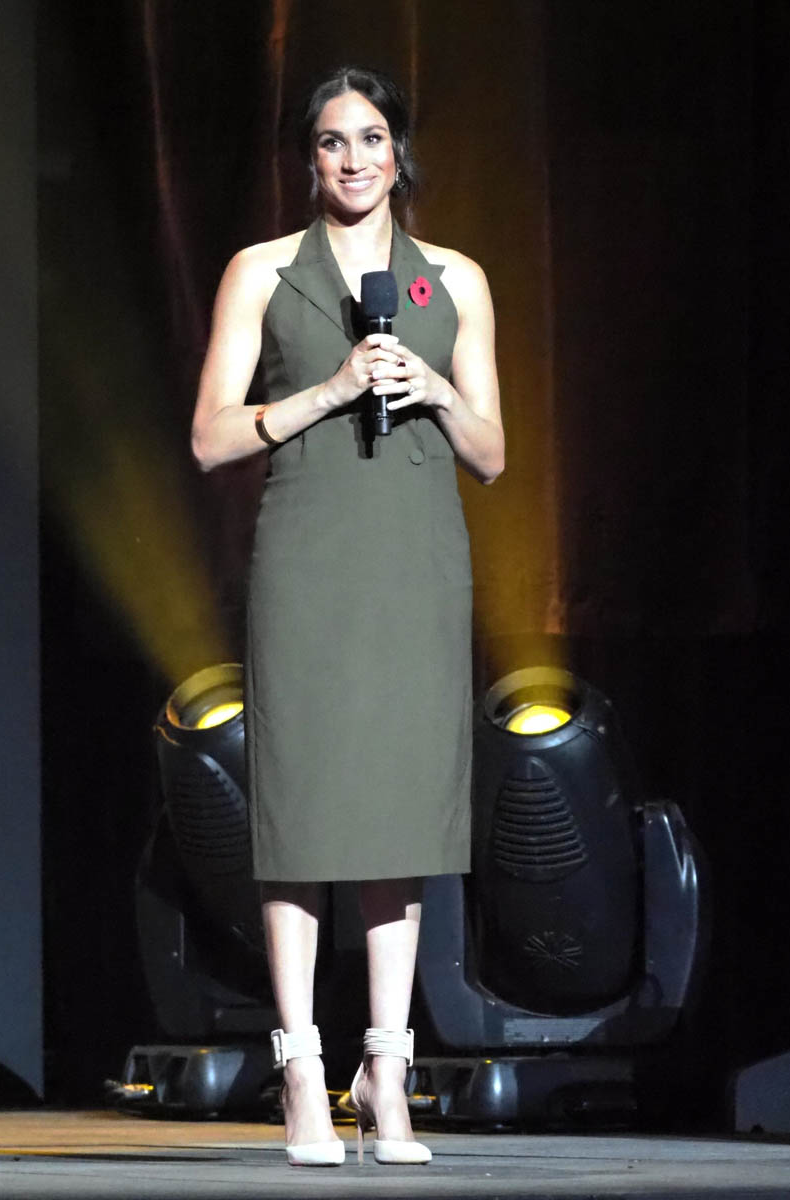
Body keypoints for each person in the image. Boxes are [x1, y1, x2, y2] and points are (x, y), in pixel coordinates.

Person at [191, 65, 504, 1167]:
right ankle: (301, 1072)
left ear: (398, 151)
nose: (354, 159)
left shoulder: (452, 279)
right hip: (309, 560)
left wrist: (438, 389)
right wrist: (328, 390)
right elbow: (210, 437)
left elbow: (493, 454)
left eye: (371, 138)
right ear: (308, 159)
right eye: (332, 142)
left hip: (416, 562)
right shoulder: (263, 271)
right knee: (304, 814)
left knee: (397, 818)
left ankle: (387, 1073)